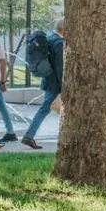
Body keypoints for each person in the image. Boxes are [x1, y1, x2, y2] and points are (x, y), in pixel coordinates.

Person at [22, 19, 65, 149]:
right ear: (64, 29)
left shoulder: (50, 38)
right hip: (55, 83)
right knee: (44, 109)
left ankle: (29, 136)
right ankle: (28, 136)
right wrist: (64, 85)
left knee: (46, 109)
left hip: (49, 80)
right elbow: (59, 66)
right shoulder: (58, 43)